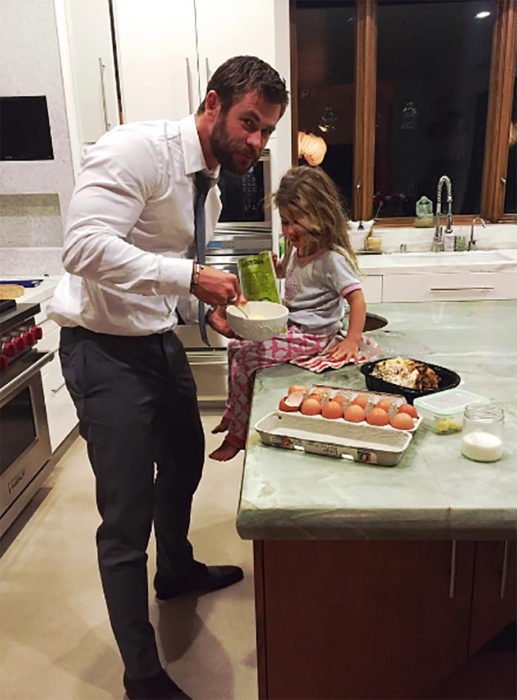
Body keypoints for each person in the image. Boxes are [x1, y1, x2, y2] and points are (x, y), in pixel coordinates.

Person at [47, 56, 288, 700]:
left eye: (266, 131)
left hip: (155, 341)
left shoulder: (203, 179)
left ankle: (175, 570)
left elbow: (161, 266)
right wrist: (189, 279)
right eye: (249, 124)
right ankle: (141, 674)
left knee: (184, 462)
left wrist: (202, 307)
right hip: (101, 352)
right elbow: (83, 247)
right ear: (212, 105)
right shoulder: (137, 151)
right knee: (124, 517)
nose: (256, 143)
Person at [210, 165, 367, 462]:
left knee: (245, 357)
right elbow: (293, 277)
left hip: (314, 335)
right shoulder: (298, 249)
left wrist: (352, 341)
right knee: (234, 347)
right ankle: (233, 413)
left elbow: (357, 299)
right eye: (285, 221)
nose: (289, 230)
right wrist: (277, 268)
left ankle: (238, 435)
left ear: (320, 217)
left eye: (296, 221)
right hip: (291, 325)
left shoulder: (331, 259)